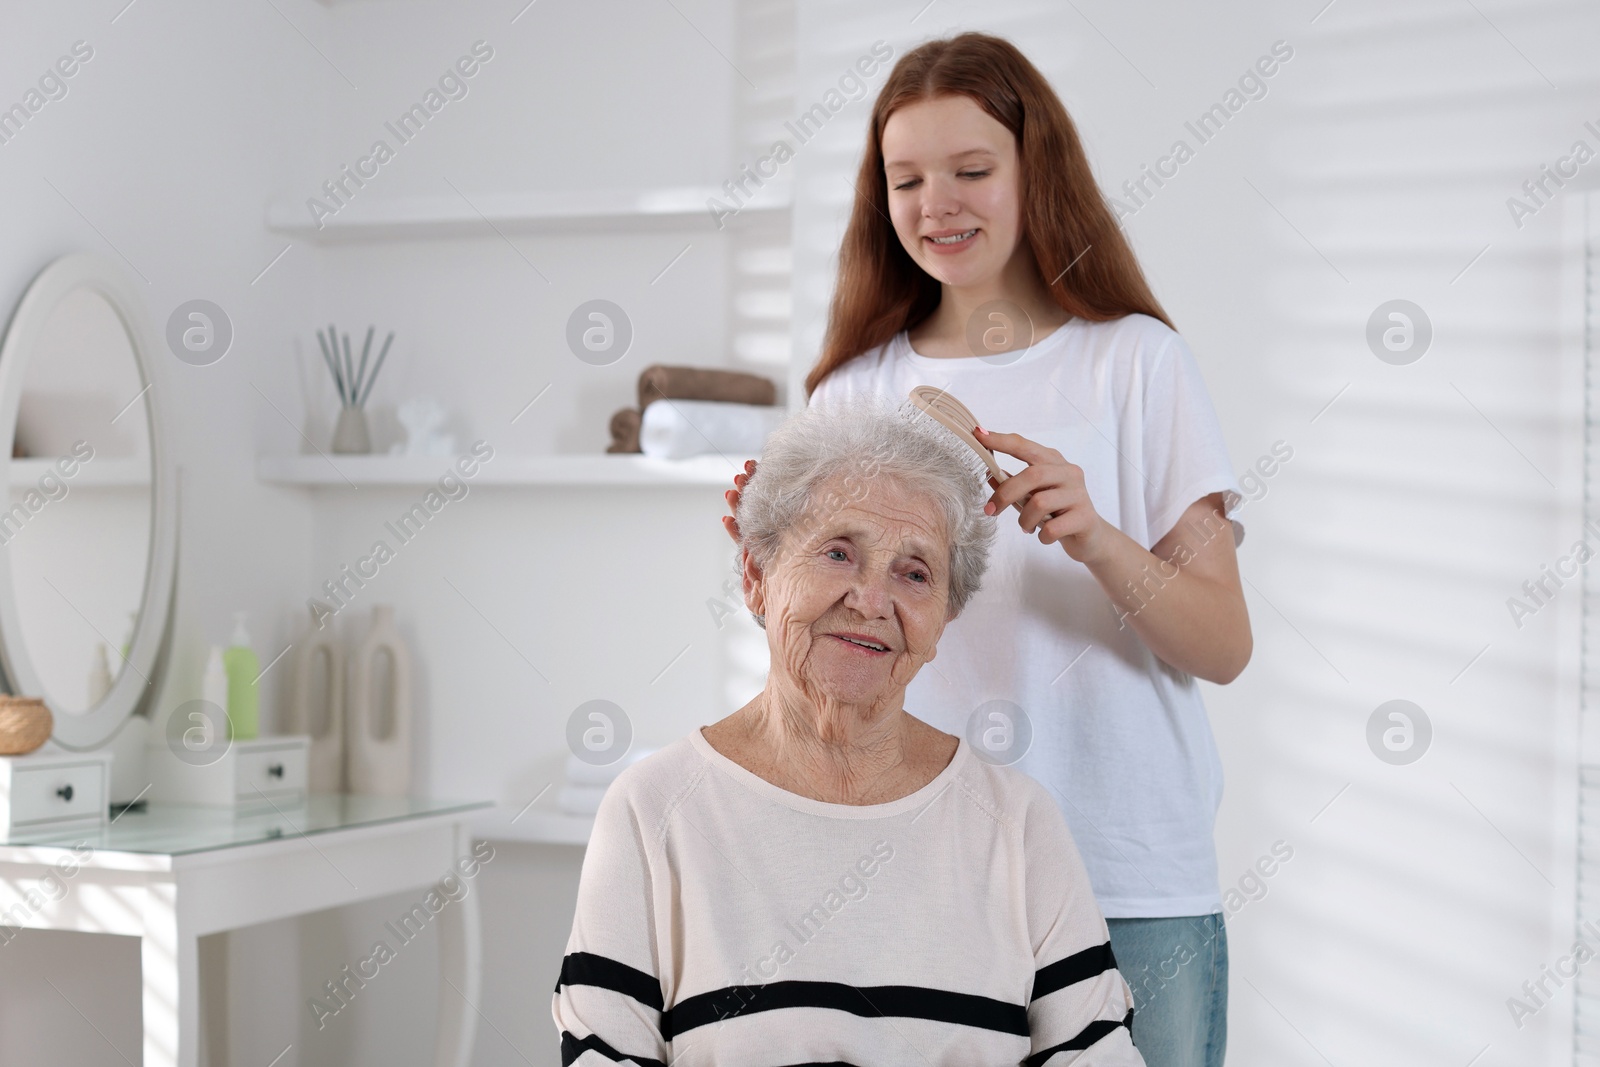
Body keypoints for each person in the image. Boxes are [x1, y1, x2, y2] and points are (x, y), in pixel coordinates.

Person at [723, 33, 1250, 1067]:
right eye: (906, 177)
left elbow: (1222, 642)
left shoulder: (1137, 362)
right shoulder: (851, 390)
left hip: (1124, 871)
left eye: (971, 170)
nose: (936, 204)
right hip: (911, 859)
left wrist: (1094, 535)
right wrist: (771, 564)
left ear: (1032, 171)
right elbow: (829, 660)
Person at [555, 400, 1144, 1066]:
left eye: (914, 572)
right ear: (755, 575)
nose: (871, 599)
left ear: (942, 619)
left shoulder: (1018, 824)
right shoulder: (653, 811)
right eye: (838, 552)